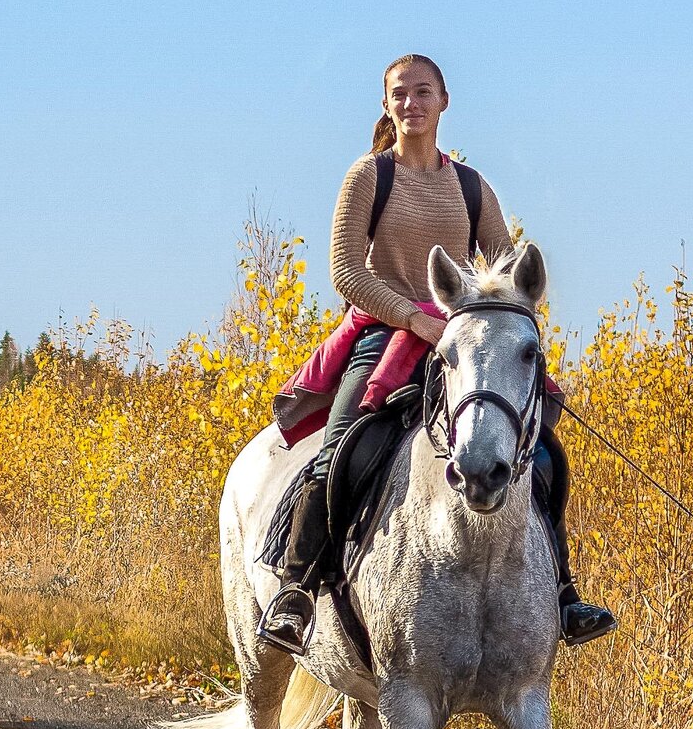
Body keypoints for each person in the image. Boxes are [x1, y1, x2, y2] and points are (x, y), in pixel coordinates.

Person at [258, 54, 615, 654]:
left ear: (444, 102)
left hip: (464, 338)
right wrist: (413, 317)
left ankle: (561, 594)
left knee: (544, 452)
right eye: (400, 94)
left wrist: (488, 318)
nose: (411, 104)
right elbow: (347, 273)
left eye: (423, 93)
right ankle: (298, 589)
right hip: (382, 332)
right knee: (341, 448)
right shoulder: (369, 177)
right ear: (386, 105)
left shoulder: (473, 186)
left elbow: (506, 271)